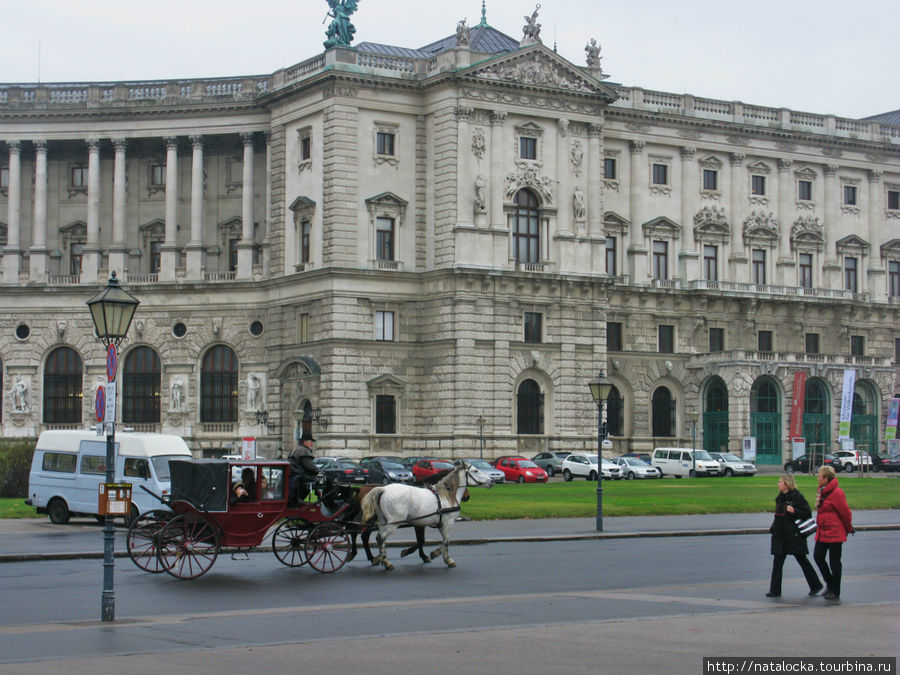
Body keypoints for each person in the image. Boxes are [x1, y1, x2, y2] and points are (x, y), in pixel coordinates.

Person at [766, 474, 822, 598]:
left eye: (780, 482)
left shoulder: (797, 497)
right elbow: (778, 516)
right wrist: (774, 529)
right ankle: (775, 590)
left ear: (786, 484)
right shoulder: (780, 498)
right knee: (778, 561)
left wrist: (795, 511)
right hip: (780, 534)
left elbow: (807, 512)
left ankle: (816, 585)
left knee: (802, 559)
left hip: (794, 535)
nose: (778, 484)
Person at [814, 465, 853, 600]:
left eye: (819, 476)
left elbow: (845, 513)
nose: (817, 478)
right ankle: (830, 583)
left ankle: (835, 590)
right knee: (818, 557)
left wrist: (848, 528)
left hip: (835, 532)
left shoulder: (837, 493)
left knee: (834, 563)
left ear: (826, 478)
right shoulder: (821, 491)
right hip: (823, 531)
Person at [288, 430, 319, 504]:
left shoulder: (297, 449)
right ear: (304, 441)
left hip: (297, 475)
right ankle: (326, 503)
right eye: (310, 441)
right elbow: (310, 467)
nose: (312, 443)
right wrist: (318, 471)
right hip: (302, 476)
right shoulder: (303, 451)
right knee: (326, 482)